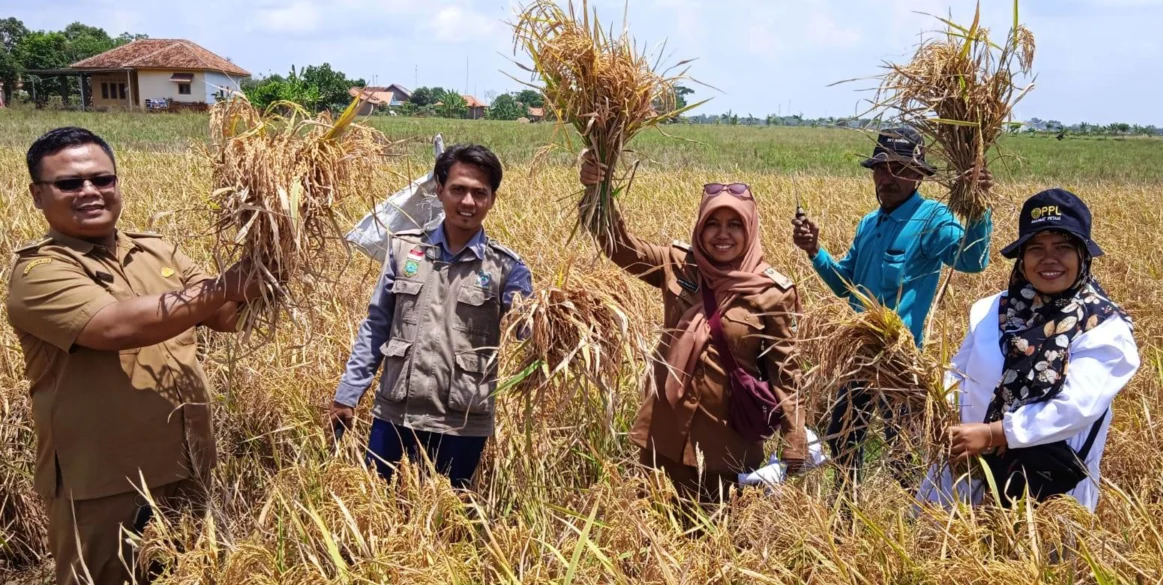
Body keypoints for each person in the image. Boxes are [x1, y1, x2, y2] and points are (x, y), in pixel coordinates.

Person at [6, 127, 258, 585]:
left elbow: (225, 316)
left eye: (102, 178)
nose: (90, 191)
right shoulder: (39, 273)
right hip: (102, 482)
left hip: (184, 464)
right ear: (38, 195)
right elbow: (115, 326)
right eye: (69, 183)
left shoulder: (157, 250)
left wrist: (269, 266)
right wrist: (226, 285)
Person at [579, 154, 809, 503]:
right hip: (664, 434)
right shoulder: (678, 264)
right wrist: (598, 190)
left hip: (727, 447)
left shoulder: (773, 293)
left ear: (750, 228)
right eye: (712, 223)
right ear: (700, 226)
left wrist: (795, 436)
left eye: (735, 224)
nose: (722, 234)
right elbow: (618, 245)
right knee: (654, 532)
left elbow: (785, 373)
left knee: (719, 542)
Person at [918, 189, 1139, 512]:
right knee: (951, 554)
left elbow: (1076, 408)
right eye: (1036, 248)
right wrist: (928, 403)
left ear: (1082, 255)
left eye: (1063, 247)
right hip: (969, 470)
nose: (1049, 258)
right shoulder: (992, 310)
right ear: (1022, 257)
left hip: (1049, 483)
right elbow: (958, 374)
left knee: (1041, 561)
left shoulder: (1103, 327)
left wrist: (994, 433)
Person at [792, 126, 994, 477]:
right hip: (857, 356)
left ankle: (917, 518)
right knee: (843, 441)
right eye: (882, 168)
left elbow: (972, 261)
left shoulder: (932, 219)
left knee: (903, 452)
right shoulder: (870, 223)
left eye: (899, 168)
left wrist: (979, 209)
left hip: (899, 361)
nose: (888, 177)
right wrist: (814, 251)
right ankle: (845, 517)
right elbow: (846, 286)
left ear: (918, 174)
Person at [329, 144, 532, 489]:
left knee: (449, 519)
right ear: (439, 190)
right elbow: (377, 326)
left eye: (479, 193)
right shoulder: (405, 249)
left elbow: (528, 330)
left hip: (462, 421)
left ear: (492, 199)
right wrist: (348, 393)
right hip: (396, 413)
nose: (468, 202)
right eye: (458, 189)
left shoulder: (506, 267)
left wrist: (558, 316)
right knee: (378, 511)